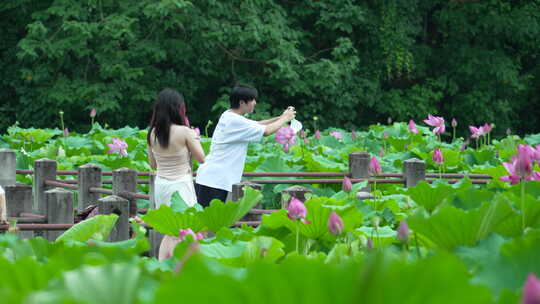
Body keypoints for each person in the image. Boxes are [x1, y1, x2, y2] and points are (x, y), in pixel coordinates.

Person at [195, 84, 296, 206]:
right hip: (215, 180)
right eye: (252, 100)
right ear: (242, 102)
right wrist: (285, 119)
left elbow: (258, 124)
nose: (255, 103)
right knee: (207, 222)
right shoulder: (235, 121)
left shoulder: (228, 115)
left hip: (212, 178)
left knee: (207, 221)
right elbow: (266, 131)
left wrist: (281, 117)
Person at [147, 88, 205, 208]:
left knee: (165, 223)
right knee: (185, 223)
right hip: (181, 184)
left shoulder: (152, 133)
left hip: (161, 185)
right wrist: (194, 138)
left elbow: (153, 165)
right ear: (179, 109)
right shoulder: (185, 132)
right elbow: (201, 158)